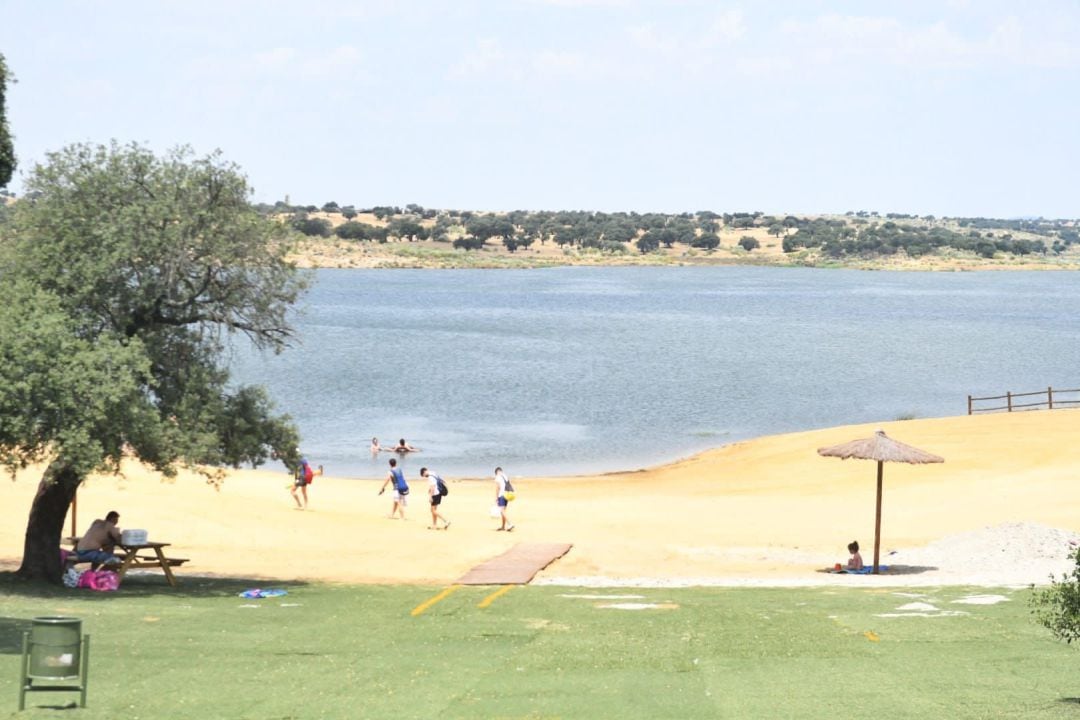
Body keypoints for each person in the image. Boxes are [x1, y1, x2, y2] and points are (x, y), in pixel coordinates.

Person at [494, 466, 514, 532]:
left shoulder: (497, 477)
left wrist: (496, 498)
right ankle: (503, 526)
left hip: (501, 495)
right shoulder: (505, 476)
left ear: (496, 472)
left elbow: (498, 488)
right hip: (507, 495)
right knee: (503, 511)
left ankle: (510, 524)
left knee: (502, 511)